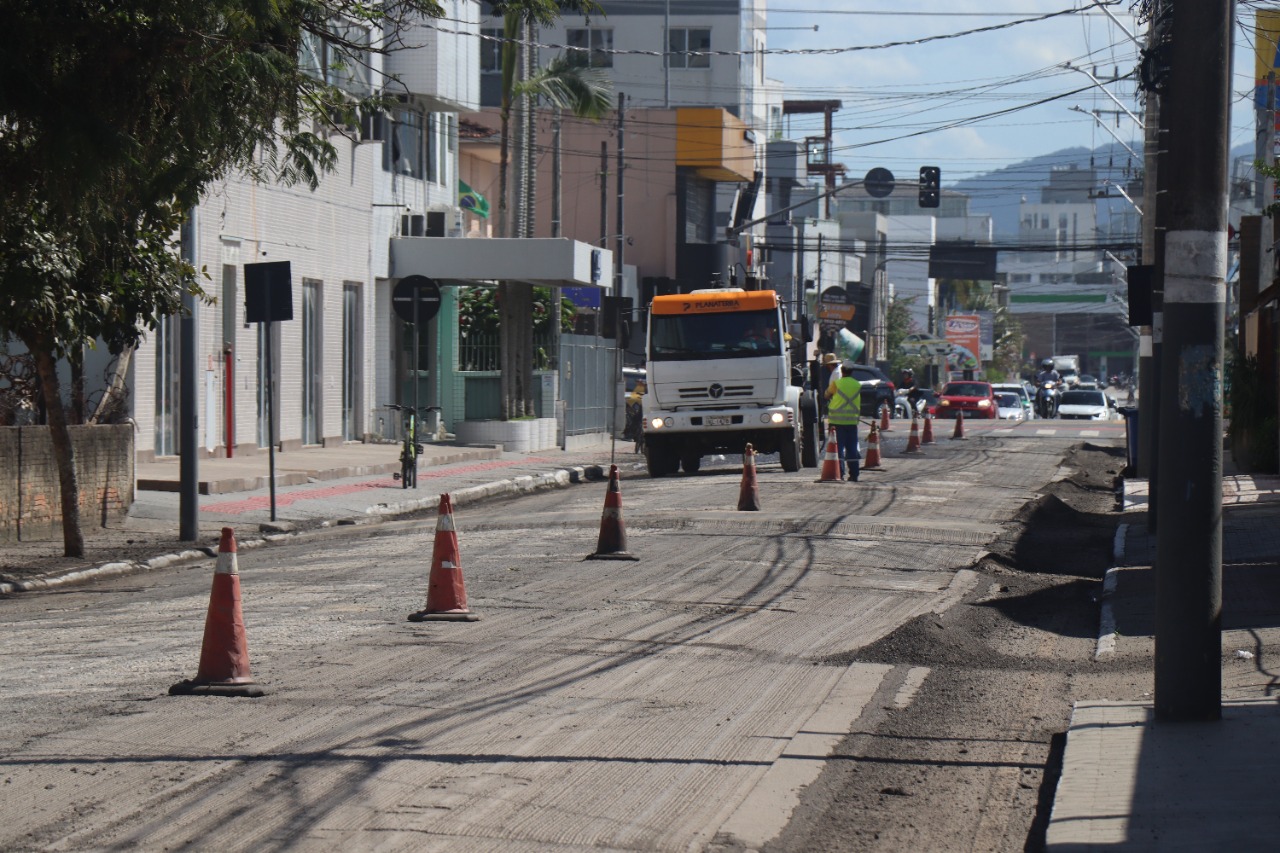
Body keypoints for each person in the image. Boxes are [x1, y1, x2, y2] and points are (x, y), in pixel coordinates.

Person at [825, 359, 863, 482]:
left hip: (837, 422)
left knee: (838, 450)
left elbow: (827, 394)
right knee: (852, 449)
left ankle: (839, 473)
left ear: (842, 371)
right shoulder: (857, 385)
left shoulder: (837, 383)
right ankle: (854, 474)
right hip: (852, 422)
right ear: (852, 372)